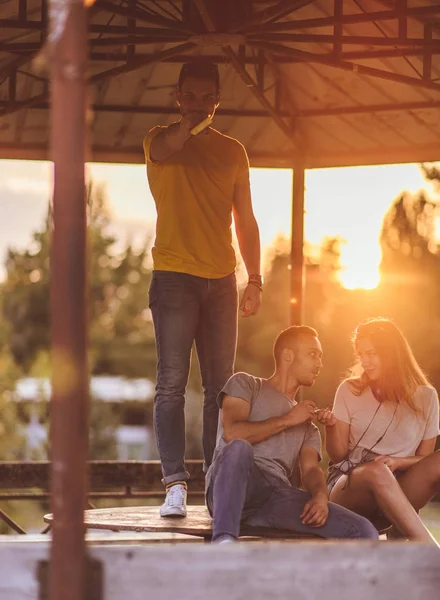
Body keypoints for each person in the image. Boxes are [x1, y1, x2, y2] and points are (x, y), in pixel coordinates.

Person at [143, 60, 262, 517]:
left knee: (220, 388)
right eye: (187, 96)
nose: (196, 104)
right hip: (173, 277)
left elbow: (245, 220)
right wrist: (187, 127)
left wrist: (255, 278)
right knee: (171, 384)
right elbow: (173, 145)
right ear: (178, 97)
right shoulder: (159, 139)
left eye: (204, 97)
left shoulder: (233, 151)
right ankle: (174, 484)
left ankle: (216, 482)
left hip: (221, 282)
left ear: (217, 100)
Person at [206, 325, 379, 543]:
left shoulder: (309, 426)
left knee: (363, 531)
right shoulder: (246, 384)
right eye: (312, 354)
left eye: (321, 357)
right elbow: (233, 434)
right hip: (228, 488)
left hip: (274, 499)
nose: (319, 363)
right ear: (288, 355)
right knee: (239, 448)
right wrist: (288, 419)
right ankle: (223, 542)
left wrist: (320, 497)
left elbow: (310, 470)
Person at [317, 317, 440, 546]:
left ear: (392, 354)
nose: (365, 361)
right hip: (350, 487)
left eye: (371, 354)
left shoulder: (427, 397)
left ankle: (401, 526)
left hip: (401, 487)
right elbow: (337, 455)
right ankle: (431, 550)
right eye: (361, 354)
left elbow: (424, 459)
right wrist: (331, 427)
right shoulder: (349, 390)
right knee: (377, 471)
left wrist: (397, 462)